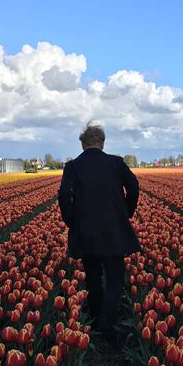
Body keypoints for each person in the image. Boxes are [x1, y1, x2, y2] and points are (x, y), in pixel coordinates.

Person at [58, 123, 140, 346]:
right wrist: (126, 211)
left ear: (83, 144)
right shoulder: (115, 162)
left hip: (85, 229)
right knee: (114, 277)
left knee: (93, 275)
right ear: (102, 143)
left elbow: (64, 195)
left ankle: (94, 319)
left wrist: (71, 220)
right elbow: (133, 186)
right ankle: (108, 320)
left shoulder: (73, 166)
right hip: (114, 228)